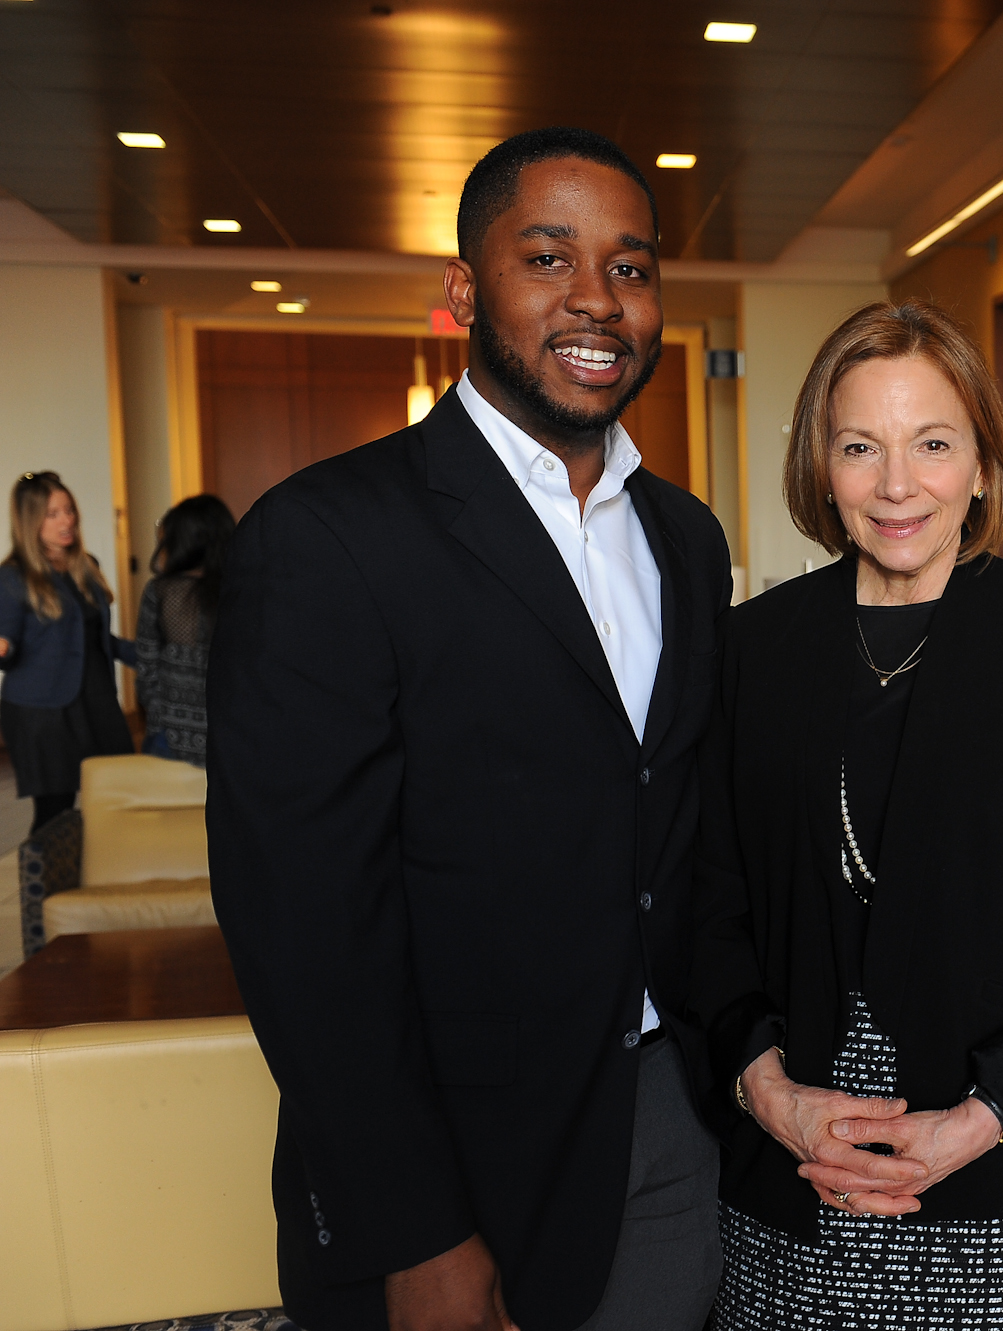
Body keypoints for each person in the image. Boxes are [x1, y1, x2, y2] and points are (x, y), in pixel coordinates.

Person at [208, 128, 733, 1331]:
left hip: (667, 1127)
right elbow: (305, 927)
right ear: (462, 293)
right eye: (547, 257)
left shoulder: (687, 540)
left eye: (631, 267)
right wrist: (417, 1228)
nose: (596, 299)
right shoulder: (328, 537)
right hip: (450, 1162)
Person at [691, 300, 1003, 1329]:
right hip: (792, 1170)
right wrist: (769, 1094)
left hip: (996, 1164)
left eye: (932, 443)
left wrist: (980, 1119)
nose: (898, 484)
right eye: (861, 447)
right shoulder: (752, 651)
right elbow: (707, 904)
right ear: (822, 468)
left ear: (982, 463)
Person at [0, 471, 136, 829]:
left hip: (96, 700)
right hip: (42, 710)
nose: (67, 520)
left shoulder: (85, 566)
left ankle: (100, 880)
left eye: (69, 509)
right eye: (53, 513)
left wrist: (150, 655)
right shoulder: (14, 576)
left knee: (113, 795)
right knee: (55, 810)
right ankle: (42, 885)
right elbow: (7, 645)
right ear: (31, 521)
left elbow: (95, 639)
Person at [134, 493, 234, 766]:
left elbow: (147, 667)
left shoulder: (161, 592)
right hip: (231, 735)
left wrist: (157, 719)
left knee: (166, 807)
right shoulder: (241, 590)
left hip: (170, 733)